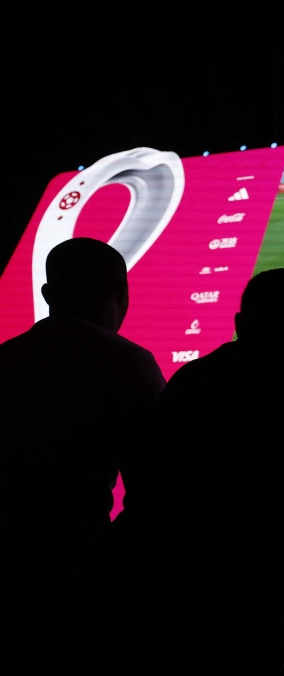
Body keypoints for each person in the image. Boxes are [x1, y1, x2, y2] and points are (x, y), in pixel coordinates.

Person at [127, 268, 284, 671]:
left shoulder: (191, 380)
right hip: (276, 589)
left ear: (240, 323)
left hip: (183, 590)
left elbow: (148, 492)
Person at [0, 238, 165, 662]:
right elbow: (157, 490)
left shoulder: (8, 358)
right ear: (121, 294)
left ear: (49, 295)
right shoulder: (128, 363)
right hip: (75, 574)